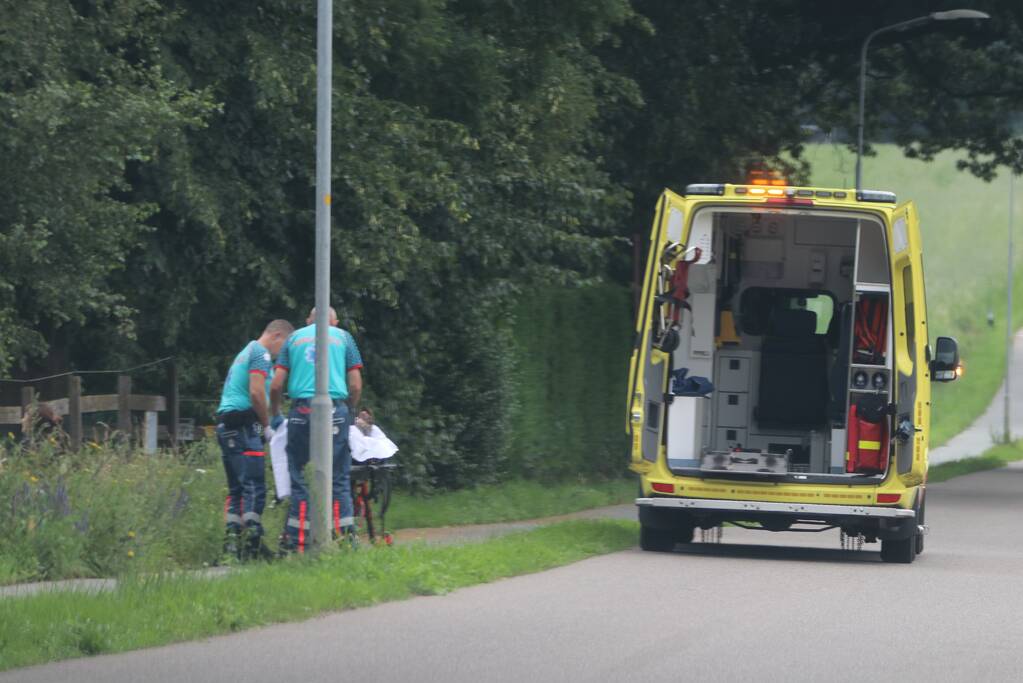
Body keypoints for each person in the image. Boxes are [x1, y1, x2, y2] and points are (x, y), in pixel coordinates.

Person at [271, 306, 363, 553]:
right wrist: (350, 413)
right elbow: (355, 385)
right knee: (338, 476)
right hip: (335, 411)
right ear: (334, 321)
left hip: (301, 412)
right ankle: (344, 540)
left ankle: (296, 543)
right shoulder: (344, 337)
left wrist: (276, 414)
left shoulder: (293, 338)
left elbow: (276, 384)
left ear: (308, 319)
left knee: (300, 477)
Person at [215, 318, 294, 560]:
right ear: (278, 336)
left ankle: (232, 545)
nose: (284, 354)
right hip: (243, 426)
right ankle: (252, 544)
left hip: (228, 426)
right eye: (285, 347)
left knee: (237, 489)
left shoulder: (246, 351)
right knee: (253, 485)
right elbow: (257, 392)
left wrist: (264, 428)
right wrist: (267, 425)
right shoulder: (261, 354)